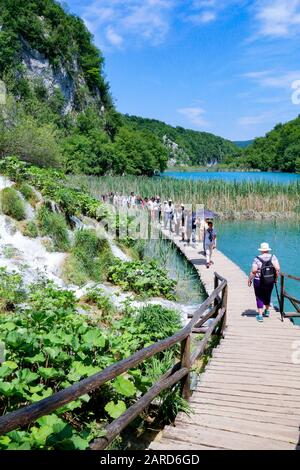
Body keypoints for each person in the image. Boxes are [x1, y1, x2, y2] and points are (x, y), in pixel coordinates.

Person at [248, 242, 280, 323]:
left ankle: (260, 315)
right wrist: (275, 279)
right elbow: (277, 269)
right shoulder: (273, 257)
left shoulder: (257, 258)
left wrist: (250, 279)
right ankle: (267, 310)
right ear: (268, 250)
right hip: (270, 280)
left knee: (259, 296)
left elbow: (254, 271)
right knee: (267, 295)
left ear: (261, 250)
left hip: (259, 280)